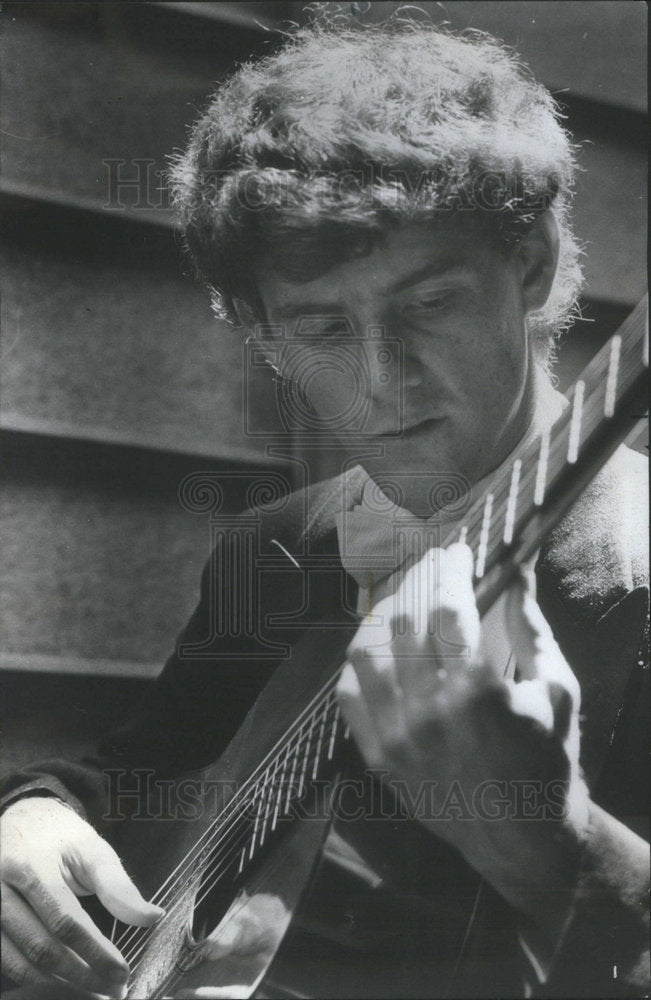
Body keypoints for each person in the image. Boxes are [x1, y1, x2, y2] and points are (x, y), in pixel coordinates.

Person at [1, 17, 648, 1000]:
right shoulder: (278, 546)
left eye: (429, 303)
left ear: (532, 265)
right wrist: (30, 813)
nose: (384, 381)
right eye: (323, 326)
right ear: (262, 334)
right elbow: (144, 769)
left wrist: (556, 843)